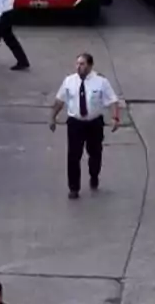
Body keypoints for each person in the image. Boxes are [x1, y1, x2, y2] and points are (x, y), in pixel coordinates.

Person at [49, 52, 122, 199]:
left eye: (82, 64)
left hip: (94, 123)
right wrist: (53, 117)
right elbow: (60, 100)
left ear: (90, 65)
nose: (78, 67)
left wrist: (115, 118)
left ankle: (94, 174)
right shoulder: (69, 81)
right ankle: (74, 188)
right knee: (73, 156)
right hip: (75, 123)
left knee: (95, 153)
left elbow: (113, 101)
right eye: (77, 64)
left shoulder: (101, 82)